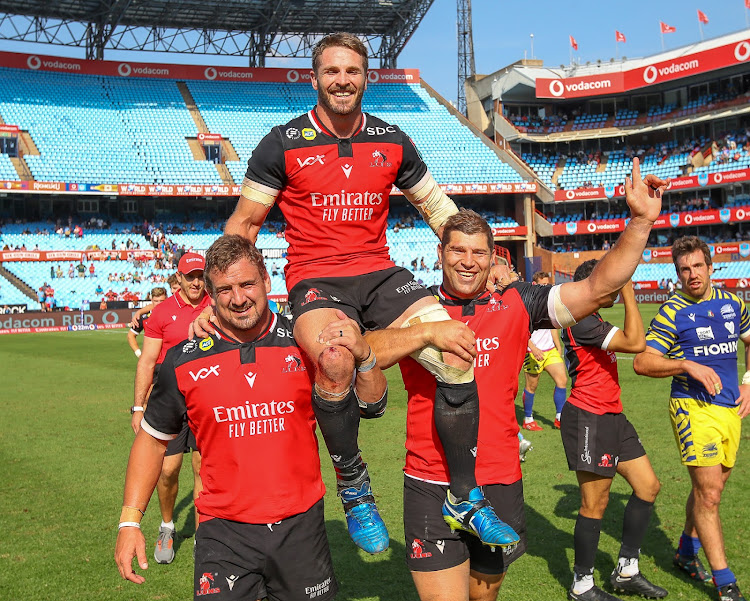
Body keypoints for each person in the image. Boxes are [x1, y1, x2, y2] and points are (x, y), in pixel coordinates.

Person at [216, 32, 517, 554]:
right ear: (314, 79)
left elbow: (437, 208)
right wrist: (211, 302)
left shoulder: (392, 139)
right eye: (332, 72)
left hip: (378, 273)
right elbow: (243, 226)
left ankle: (465, 496)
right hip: (315, 278)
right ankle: (355, 487)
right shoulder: (282, 143)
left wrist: (489, 260)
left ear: (365, 78)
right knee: (334, 358)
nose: (342, 81)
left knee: (456, 346)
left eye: (352, 72)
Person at [354, 174, 667, 601]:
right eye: (458, 250)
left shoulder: (519, 302)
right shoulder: (416, 306)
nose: (468, 261)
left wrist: (640, 223)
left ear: (491, 258)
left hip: (500, 478)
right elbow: (365, 347)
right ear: (440, 254)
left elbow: (598, 288)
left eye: (478, 252)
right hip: (432, 480)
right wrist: (428, 334)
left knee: (485, 597)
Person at [116, 235, 378, 601]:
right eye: (224, 289)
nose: (238, 299)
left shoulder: (305, 344)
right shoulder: (184, 359)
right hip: (223, 533)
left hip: (300, 527)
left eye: (247, 284)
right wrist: (130, 521)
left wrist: (365, 357)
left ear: (267, 282)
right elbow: (153, 439)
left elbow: (370, 404)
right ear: (209, 294)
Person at [634, 236, 749, 601]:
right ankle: (725, 583)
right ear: (677, 273)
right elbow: (643, 361)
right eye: (684, 269)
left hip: (731, 409)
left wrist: (748, 381)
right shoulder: (673, 312)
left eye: (698, 266)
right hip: (691, 408)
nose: (692, 274)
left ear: (711, 267)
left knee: (709, 490)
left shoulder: (733, 303)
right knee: (710, 493)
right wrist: (685, 363)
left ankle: (685, 551)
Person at [561, 260, 666, 601]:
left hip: (613, 416)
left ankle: (626, 570)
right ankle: (582, 585)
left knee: (648, 486)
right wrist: (629, 292)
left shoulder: (594, 320)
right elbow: (637, 342)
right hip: (589, 418)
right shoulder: (581, 320)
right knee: (595, 504)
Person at [132, 253, 212, 565]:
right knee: (167, 470)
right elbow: (147, 361)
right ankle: (167, 525)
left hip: (208, 399)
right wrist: (138, 407)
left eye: (200, 275)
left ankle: (205, 532)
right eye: (189, 276)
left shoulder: (217, 305)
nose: (196, 282)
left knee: (203, 467)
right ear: (177, 278)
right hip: (171, 401)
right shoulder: (163, 312)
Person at [521, 271, 569, 431]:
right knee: (531, 386)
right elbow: (520, 330)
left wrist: (558, 344)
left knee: (562, 380)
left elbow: (552, 325)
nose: (546, 287)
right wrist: (533, 349)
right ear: (535, 284)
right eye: (543, 284)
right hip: (533, 352)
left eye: (548, 284)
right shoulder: (526, 303)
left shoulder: (549, 301)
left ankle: (560, 417)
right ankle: (528, 419)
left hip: (550, 351)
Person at [127, 287, 167, 359]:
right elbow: (131, 335)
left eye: (162, 301)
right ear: (151, 300)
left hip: (172, 359)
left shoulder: (173, 312)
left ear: (167, 299)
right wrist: (139, 354)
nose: (159, 304)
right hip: (153, 361)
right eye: (156, 301)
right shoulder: (144, 317)